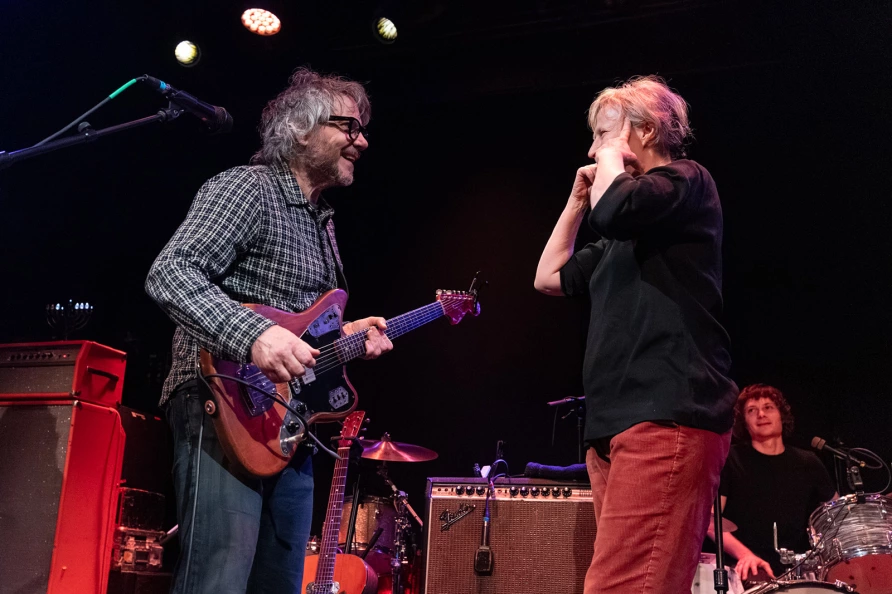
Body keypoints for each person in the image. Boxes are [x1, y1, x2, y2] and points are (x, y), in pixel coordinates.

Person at [146, 68, 393, 594]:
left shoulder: (322, 221)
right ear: (301, 129)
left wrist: (348, 335)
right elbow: (170, 272)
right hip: (222, 403)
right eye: (349, 126)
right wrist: (253, 336)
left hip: (289, 426)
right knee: (217, 582)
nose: (362, 141)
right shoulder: (248, 188)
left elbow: (297, 329)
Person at [534, 75, 738, 594]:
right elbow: (548, 277)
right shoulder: (618, 239)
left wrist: (611, 159)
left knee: (620, 586)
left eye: (603, 134)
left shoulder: (687, 180)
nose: (592, 150)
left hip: (666, 414)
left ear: (645, 131)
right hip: (615, 425)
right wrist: (577, 202)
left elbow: (617, 210)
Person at [710, 384, 836, 582]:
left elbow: (836, 515)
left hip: (799, 572)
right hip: (746, 569)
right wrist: (746, 555)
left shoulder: (808, 462)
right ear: (744, 422)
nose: (761, 414)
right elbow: (710, 523)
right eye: (751, 410)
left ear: (781, 416)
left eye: (768, 407)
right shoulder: (730, 459)